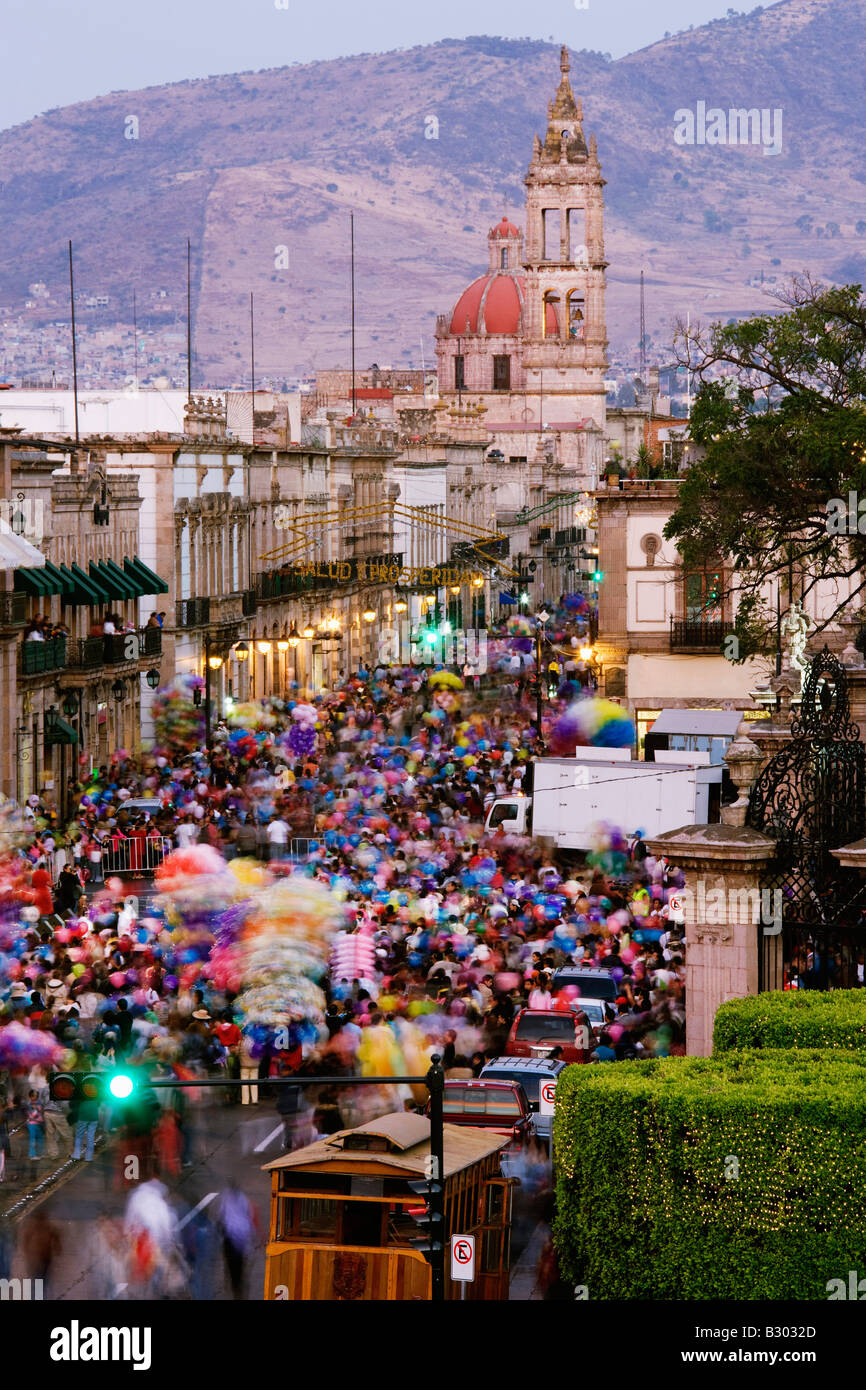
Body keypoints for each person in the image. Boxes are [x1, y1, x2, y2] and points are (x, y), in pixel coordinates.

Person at [216, 1179, 260, 1300]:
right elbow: (251, 1219)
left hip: (229, 1240)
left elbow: (221, 1218)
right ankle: (238, 1290)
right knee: (239, 1271)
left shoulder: (226, 1199)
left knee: (231, 1268)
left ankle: (233, 1285)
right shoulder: (243, 1200)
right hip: (240, 1241)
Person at [26, 1089, 45, 1160]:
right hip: (32, 1124)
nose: (35, 1097)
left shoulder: (39, 1103)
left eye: (36, 1096)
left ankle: (40, 1153)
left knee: (40, 1139)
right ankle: (32, 1155)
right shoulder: (29, 1104)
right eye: (34, 1096)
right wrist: (36, 1109)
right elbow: (33, 1114)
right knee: (33, 1139)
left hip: (39, 1123)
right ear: (30, 1097)